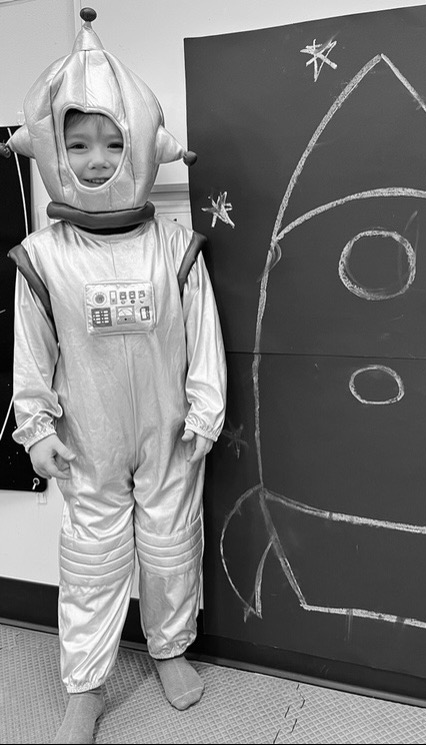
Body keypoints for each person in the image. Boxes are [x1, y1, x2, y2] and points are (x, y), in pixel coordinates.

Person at [6, 9, 226, 744]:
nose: (96, 160)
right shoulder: (43, 257)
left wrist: (206, 411)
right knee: (92, 558)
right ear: (51, 150)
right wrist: (35, 427)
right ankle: (86, 685)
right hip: (88, 435)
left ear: (140, 147)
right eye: (76, 144)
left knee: (170, 543)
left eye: (112, 142)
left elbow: (202, 333)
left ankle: (169, 649)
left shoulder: (174, 246)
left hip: (168, 430)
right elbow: (32, 350)